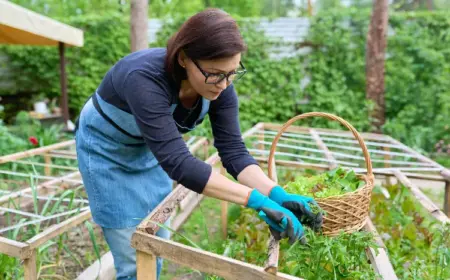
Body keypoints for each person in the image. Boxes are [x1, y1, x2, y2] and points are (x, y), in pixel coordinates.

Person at [75, 8, 322, 280]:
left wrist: (276, 194)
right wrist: (256, 200)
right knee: (133, 259)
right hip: (106, 153)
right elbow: (179, 164)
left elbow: (233, 152)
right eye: (216, 74)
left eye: (232, 73)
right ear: (183, 58)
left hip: (148, 151)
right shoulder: (143, 78)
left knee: (156, 239)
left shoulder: (220, 85)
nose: (225, 84)